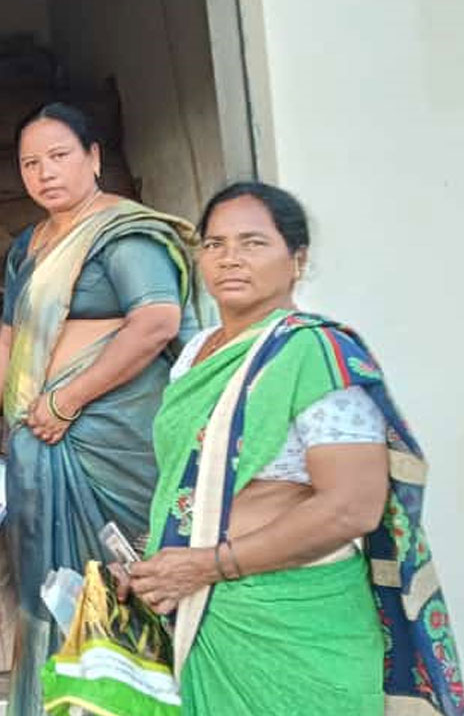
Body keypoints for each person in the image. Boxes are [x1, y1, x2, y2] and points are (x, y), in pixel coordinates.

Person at [117, 182, 462, 715]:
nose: (230, 259)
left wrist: (209, 566)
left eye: (253, 243)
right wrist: (153, 566)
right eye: (214, 244)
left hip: (296, 620)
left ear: (297, 260)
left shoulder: (317, 353)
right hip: (212, 617)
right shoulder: (193, 358)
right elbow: (190, 486)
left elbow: (352, 506)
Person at [0, 102, 200, 714]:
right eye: (30, 163)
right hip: (37, 444)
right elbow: (10, 339)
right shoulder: (30, 244)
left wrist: (67, 399)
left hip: (111, 442)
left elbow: (156, 323)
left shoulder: (122, 232)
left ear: (94, 157)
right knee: (49, 588)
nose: (45, 173)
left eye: (60, 156)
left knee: (127, 576)